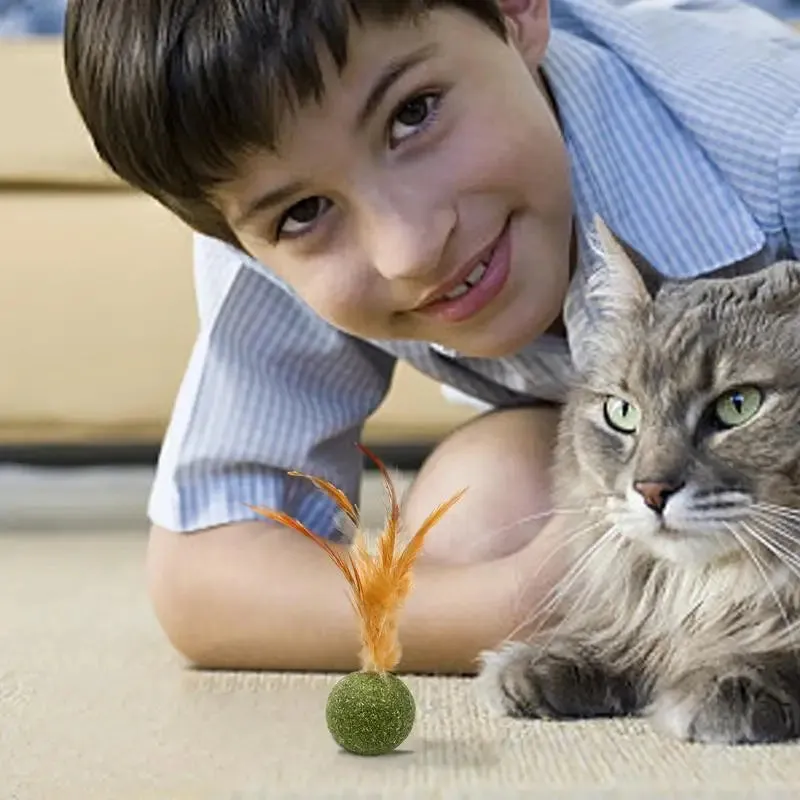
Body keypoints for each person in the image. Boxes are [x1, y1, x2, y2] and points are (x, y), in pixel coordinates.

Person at [63, 0, 800, 674]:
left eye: (413, 114)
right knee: (483, 510)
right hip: (640, 473)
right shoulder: (263, 198)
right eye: (305, 212)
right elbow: (204, 579)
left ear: (517, 12)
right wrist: (517, 599)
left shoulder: (777, 140)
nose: (409, 249)